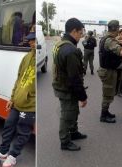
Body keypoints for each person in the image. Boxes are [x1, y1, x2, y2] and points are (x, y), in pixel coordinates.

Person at [0, 31, 35, 167]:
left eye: (34, 41)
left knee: (23, 131)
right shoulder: (27, 57)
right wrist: (12, 98)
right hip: (17, 101)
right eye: (30, 40)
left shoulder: (39, 58)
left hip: (30, 105)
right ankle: (3, 151)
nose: (31, 43)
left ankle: (12, 157)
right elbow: (19, 79)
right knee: (8, 125)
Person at [52, 18, 88, 151]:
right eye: (80, 32)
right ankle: (65, 141)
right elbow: (75, 78)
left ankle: (73, 132)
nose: (81, 35)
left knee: (73, 111)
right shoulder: (70, 50)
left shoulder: (60, 44)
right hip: (67, 88)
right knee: (67, 114)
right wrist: (83, 97)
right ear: (74, 31)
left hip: (62, 85)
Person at [98, 20, 122, 123]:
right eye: (118, 28)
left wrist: (117, 39)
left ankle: (106, 112)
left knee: (109, 92)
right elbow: (121, 52)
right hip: (108, 71)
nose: (119, 30)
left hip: (107, 70)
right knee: (108, 93)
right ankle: (103, 115)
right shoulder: (110, 41)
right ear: (115, 29)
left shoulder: (108, 38)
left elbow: (114, 40)